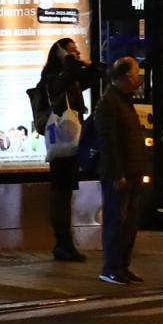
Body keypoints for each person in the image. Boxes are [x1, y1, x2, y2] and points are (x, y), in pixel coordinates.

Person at [38, 37, 97, 262]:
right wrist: (70, 61)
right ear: (60, 54)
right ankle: (62, 243)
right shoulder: (52, 78)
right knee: (61, 192)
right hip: (62, 142)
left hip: (72, 140)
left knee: (65, 192)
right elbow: (63, 82)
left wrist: (87, 63)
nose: (76, 53)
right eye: (71, 51)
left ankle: (65, 242)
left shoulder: (69, 76)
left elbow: (93, 76)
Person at [95, 56, 149, 286]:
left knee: (129, 223)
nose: (139, 79)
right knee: (117, 222)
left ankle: (122, 266)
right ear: (126, 77)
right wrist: (117, 173)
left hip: (133, 171)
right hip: (120, 174)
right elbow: (109, 142)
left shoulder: (124, 100)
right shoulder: (109, 103)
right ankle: (112, 268)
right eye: (137, 74)